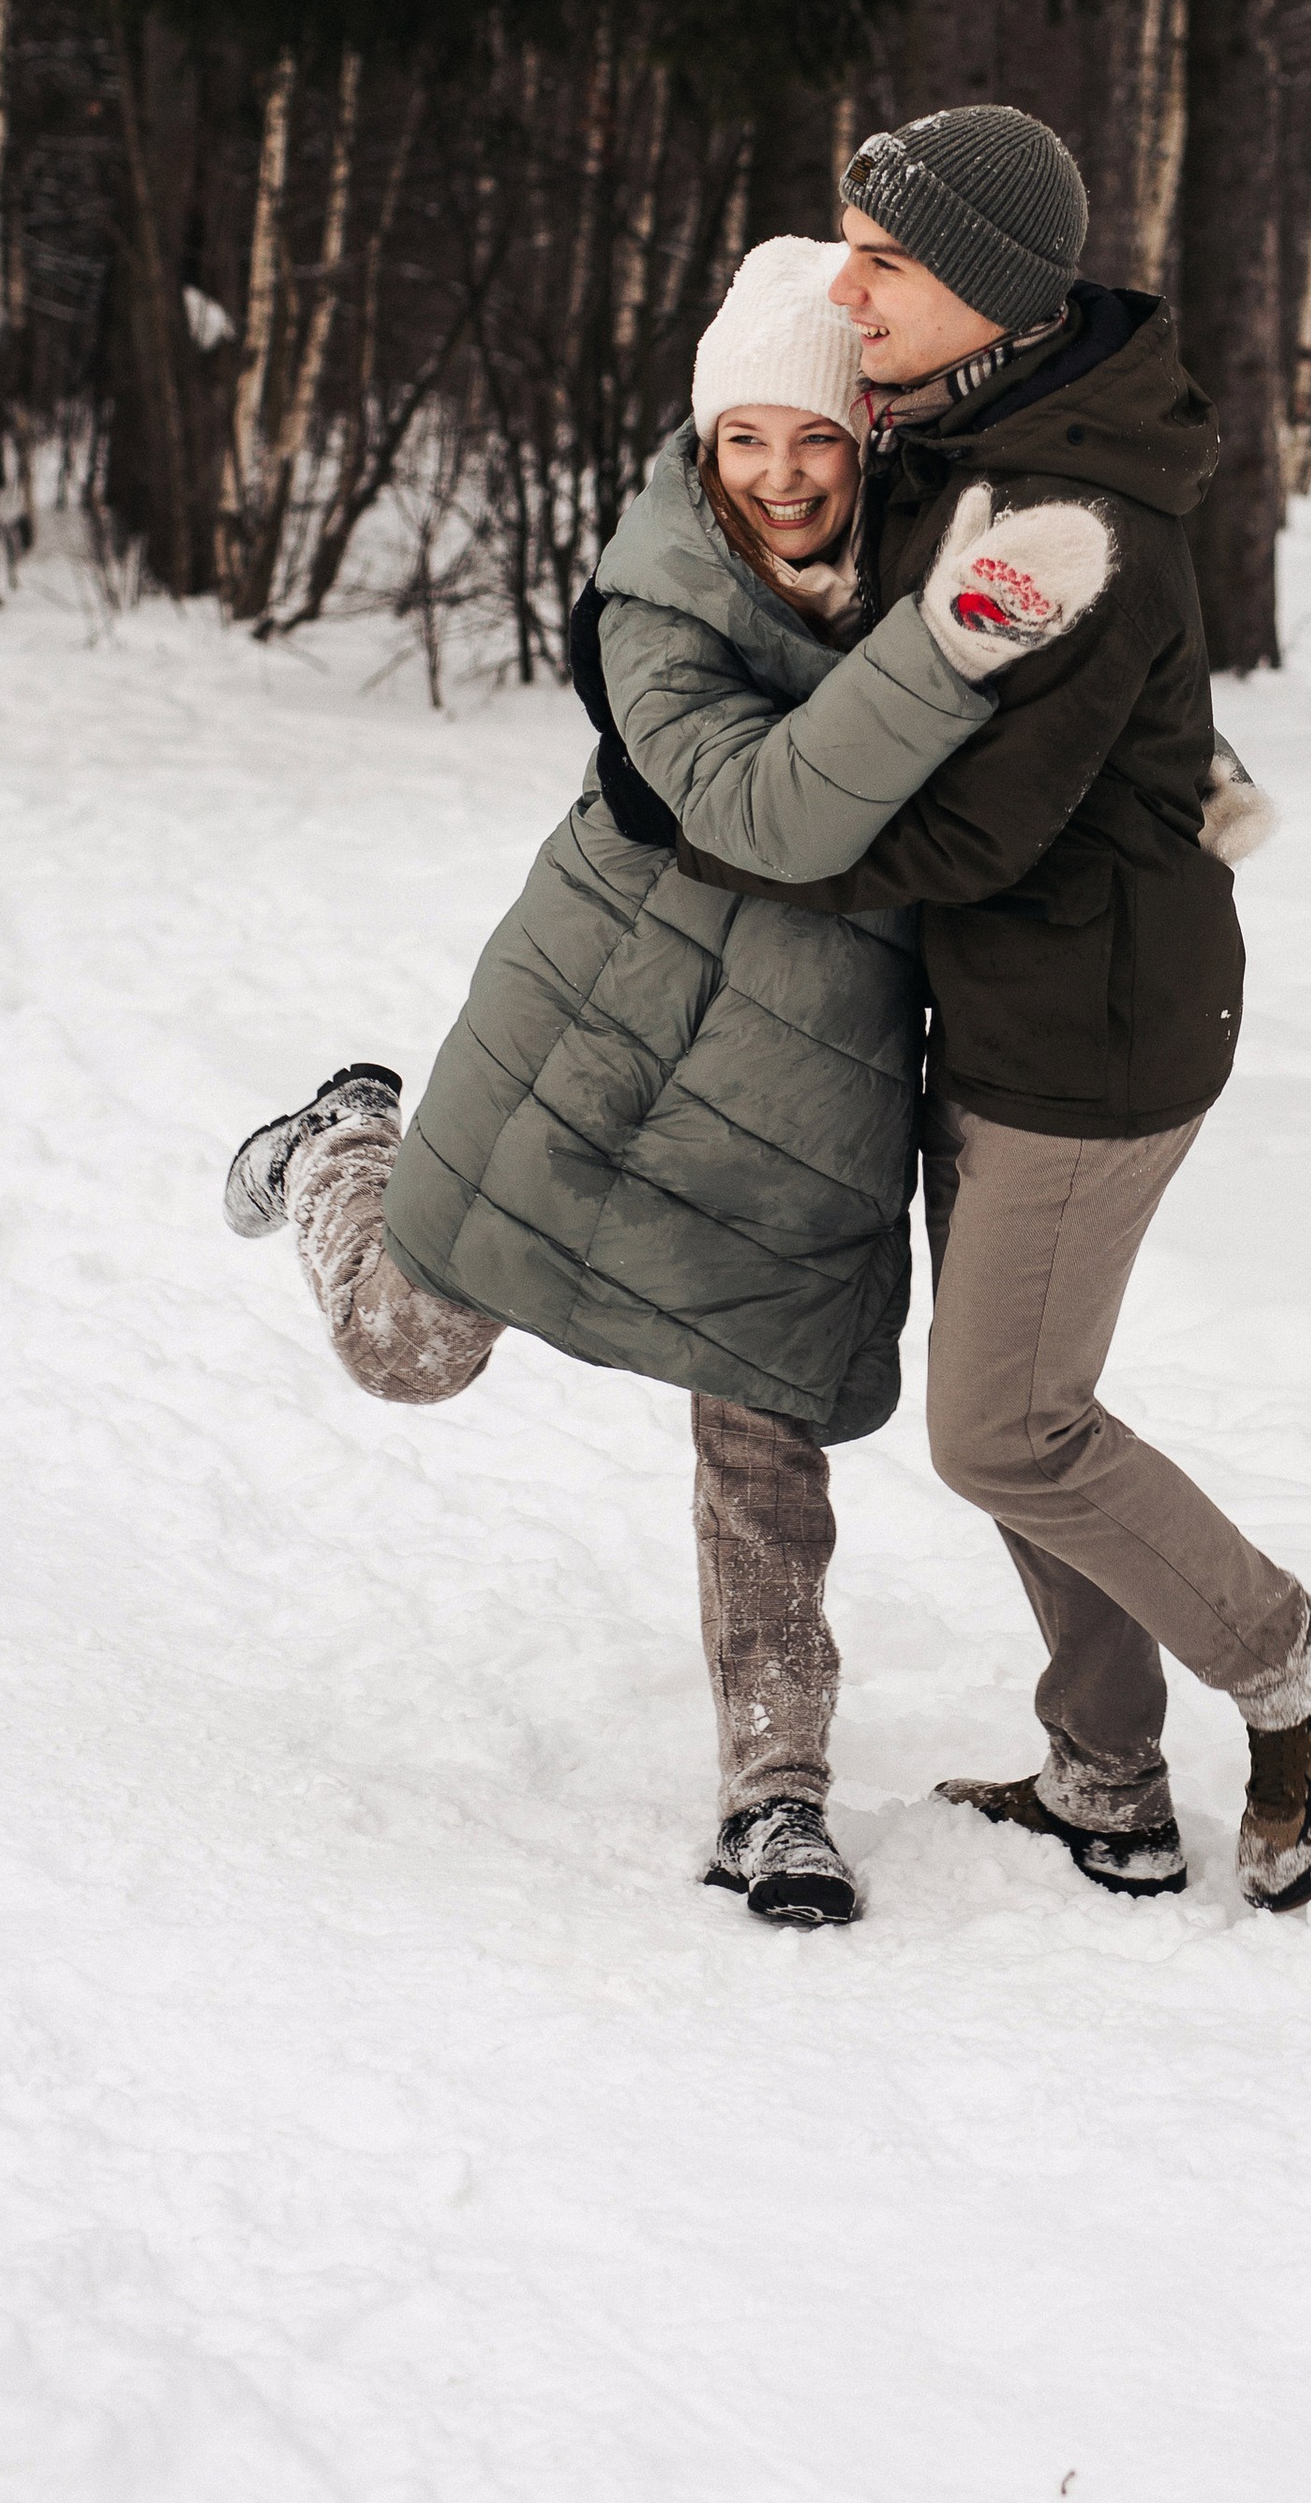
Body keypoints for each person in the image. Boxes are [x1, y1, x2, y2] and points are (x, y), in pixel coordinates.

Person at [220, 236, 1110, 1928]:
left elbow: (1078, 708)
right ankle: (346, 1139)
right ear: (704, 445)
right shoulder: (656, 597)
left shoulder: (938, 559)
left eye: (820, 439)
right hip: (599, 1018)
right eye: (745, 440)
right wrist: (945, 650)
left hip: (820, 1069)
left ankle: (776, 1799)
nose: (780, 478)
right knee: (407, 1350)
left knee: (765, 1441)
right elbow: (758, 799)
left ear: (872, 445)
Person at [681, 107, 1311, 1914]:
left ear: (988, 293)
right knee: (1028, 1400)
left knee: (1005, 1428)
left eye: (884, 266)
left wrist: (735, 831)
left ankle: (1307, 1666)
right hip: (1009, 1009)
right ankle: (1105, 1775)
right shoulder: (970, 428)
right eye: (846, 250)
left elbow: (976, 828)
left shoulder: (1076, 515)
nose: (847, 292)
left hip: (1094, 1035)